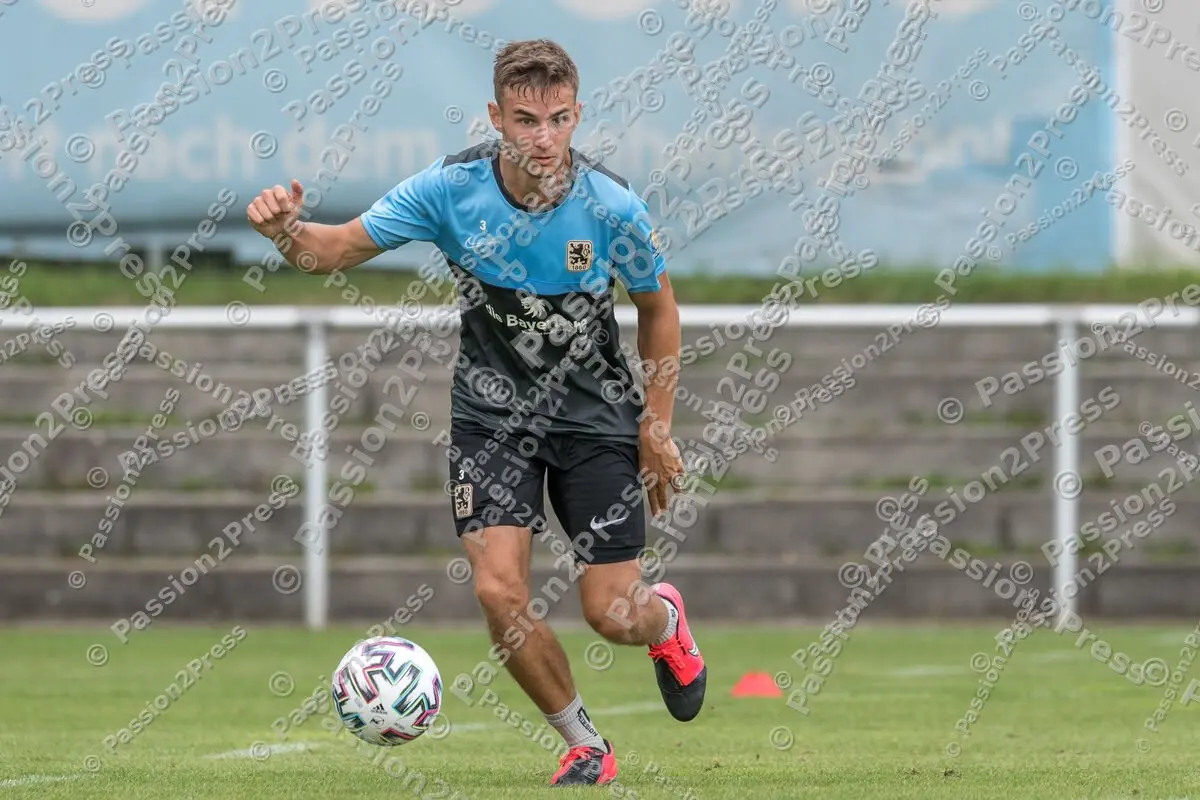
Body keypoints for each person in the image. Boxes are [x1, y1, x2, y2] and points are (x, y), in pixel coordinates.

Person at [245, 38, 706, 787]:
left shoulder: (611, 206)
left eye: (558, 119)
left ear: (577, 116)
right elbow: (332, 253)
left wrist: (655, 425)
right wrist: (286, 232)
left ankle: (669, 624)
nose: (543, 138)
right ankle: (586, 743)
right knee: (497, 590)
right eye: (525, 120)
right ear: (496, 116)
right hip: (490, 420)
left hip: (594, 421)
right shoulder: (447, 190)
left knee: (614, 614)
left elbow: (659, 310)